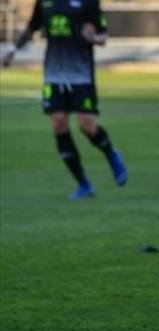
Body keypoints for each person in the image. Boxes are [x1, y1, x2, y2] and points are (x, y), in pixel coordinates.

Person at [2, 0, 127, 200]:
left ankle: (111, 153)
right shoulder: (44, 2)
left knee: (87, 126)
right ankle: (84, 185)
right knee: (59, 124)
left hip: (81, 75)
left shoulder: (89, 2)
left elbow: (104, 36)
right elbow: (31, 28)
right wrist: (12, 50)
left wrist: (93, 37)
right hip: (54, 74)